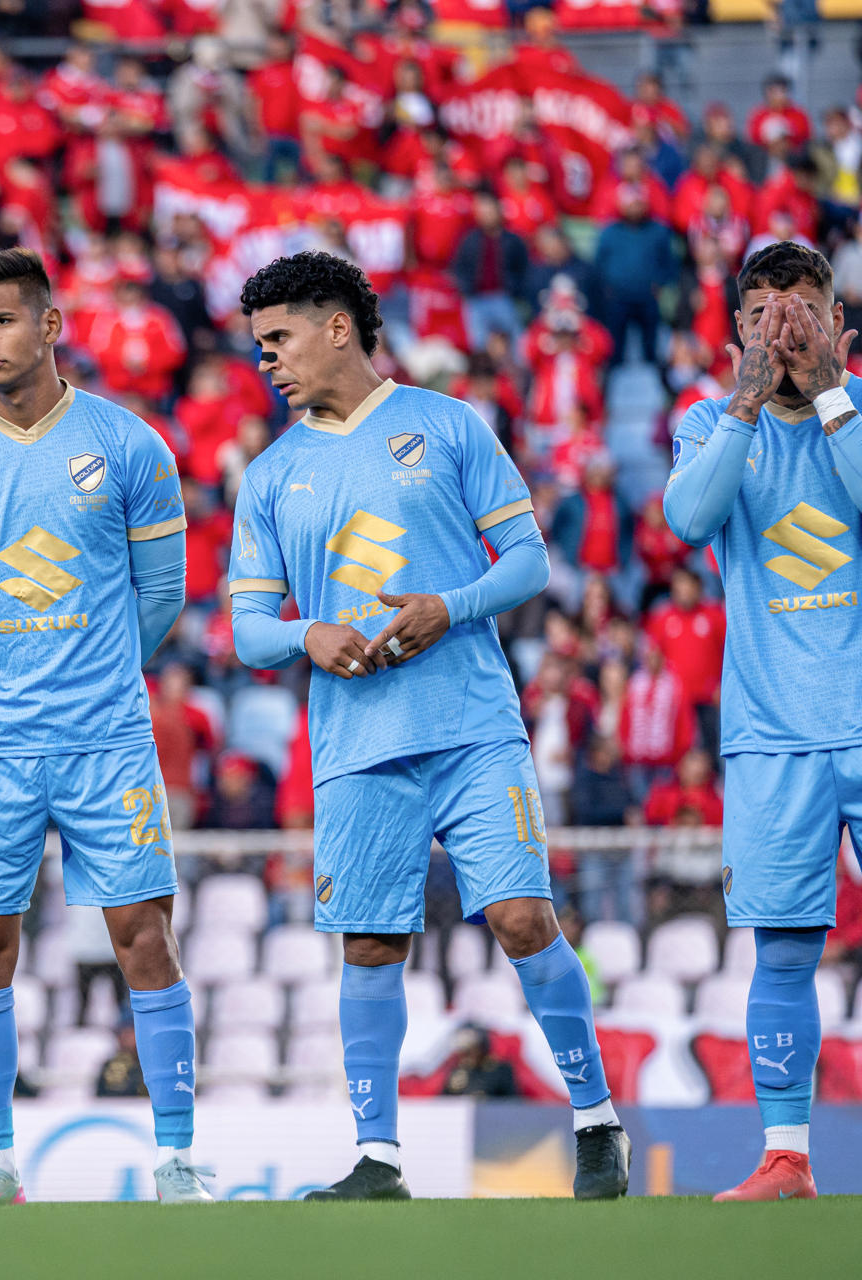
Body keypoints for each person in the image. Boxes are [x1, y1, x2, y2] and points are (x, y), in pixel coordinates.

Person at [228, 251, 629, 1202]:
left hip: (471, 725)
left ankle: (596, 1122)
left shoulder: (446, 425)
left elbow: (528, 561)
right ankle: (379, 1160)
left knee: (523, 918)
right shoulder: (270, 474)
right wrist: (307, 634)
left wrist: (451, 607)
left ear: (338, 328)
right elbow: (247, 628)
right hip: (357, 744)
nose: (266, 361)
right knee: (369, 946)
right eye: (258, 346)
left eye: (279, 339)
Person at [664, 240, 862, 1203]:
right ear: (737, 332)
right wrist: (747, 398)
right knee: (783, 949)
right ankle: (786, 1159)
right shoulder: (708, 420)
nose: (783, 329)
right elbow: (689, 520)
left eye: (801, 310)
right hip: (774, 736)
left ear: (838, 322)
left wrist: (830, 391)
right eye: (763, 314)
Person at [0, 248, 210, 1205]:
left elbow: (162, 594)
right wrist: (2, 678)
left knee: (143, 938)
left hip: (107, 740)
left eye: (0, 320)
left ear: (50, 323)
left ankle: (177, 1162)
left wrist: (93, 673)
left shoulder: (130, 446)